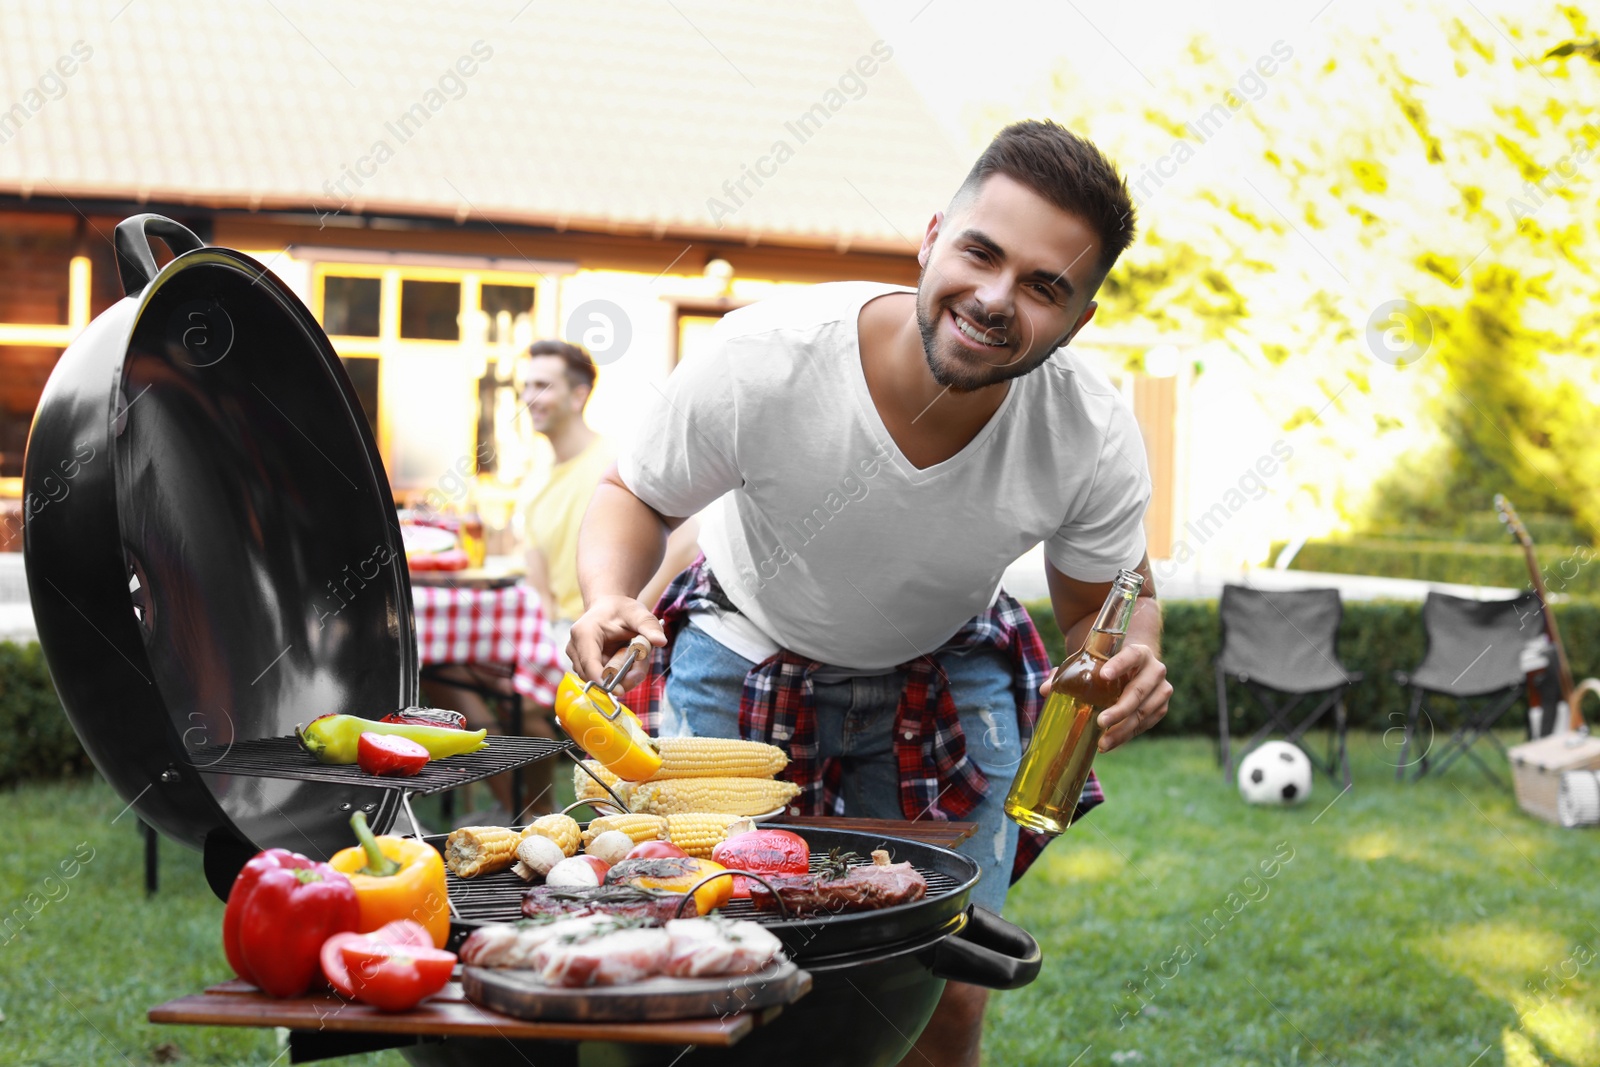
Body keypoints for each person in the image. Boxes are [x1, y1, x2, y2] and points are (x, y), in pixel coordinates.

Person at [568, 120, 1172, 1067]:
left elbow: (1112, 600)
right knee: (706, 969)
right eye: (981, 252)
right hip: (742, 655)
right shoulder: (767, 353)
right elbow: (633, 493)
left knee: (944, 993)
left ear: (1079, 320)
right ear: (933, 237)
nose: (995, 298)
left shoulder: (1089, 429)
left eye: (1044, 286)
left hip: (946, 666)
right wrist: (607, 591)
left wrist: (1134, 648)